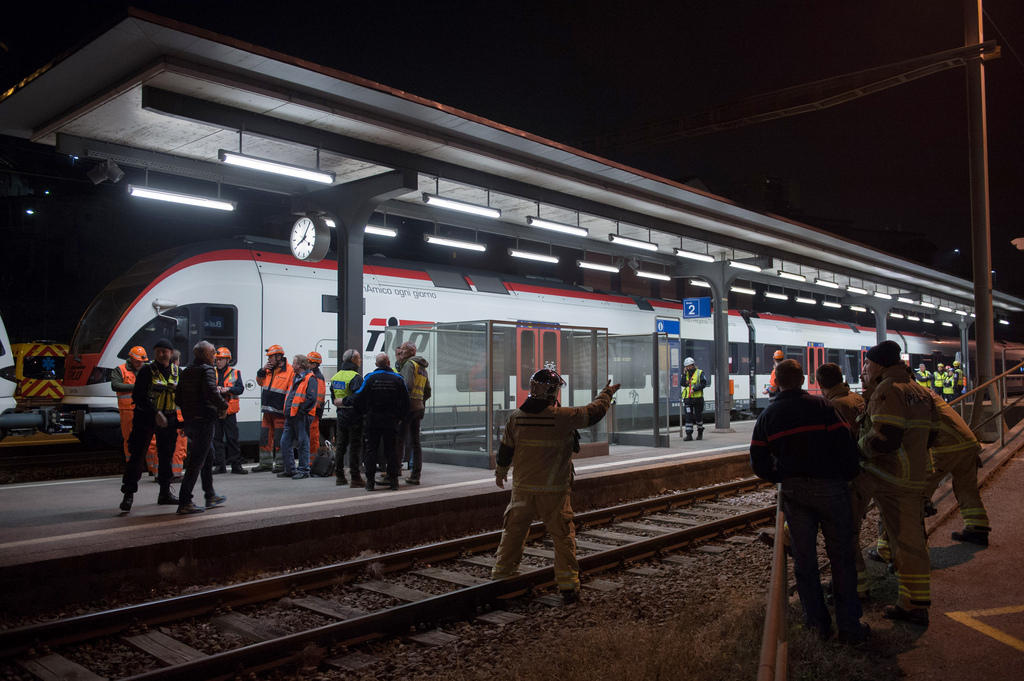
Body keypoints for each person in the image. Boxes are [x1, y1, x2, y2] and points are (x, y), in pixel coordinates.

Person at [749, 359, 867, 643]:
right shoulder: (824, 407)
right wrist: (846, 475)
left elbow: (758, 460)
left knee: (805, 561)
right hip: (832, 489)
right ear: (802, 380)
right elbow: (847, 446)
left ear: (776, 382)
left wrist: (780, 475)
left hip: (795, 493)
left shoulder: (769, 415)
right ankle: (850, 626)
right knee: (842, 557)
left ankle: (817, 625)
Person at [491, 370, 619, 604]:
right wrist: (607, 394)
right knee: (562, 537)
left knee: (513, 532)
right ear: (552, 392)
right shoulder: (563, 417)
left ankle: (502, 574)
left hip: (522, 490)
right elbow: (593, 413)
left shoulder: (515, 417)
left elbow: (505, 449)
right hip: (553, 492)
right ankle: (568, 585)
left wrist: (500, 472)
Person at [857, 340, 933, 626]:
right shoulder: (919, 390)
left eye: (867, 363)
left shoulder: (888, 390)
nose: (865, 368)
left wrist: (858, 449)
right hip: (914, 474)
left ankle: (913, 606)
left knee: (904, 542)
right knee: (910, 539)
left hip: (892, 476)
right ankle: (912, 601)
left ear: (877, 364)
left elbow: (885, 437)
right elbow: (932, 435)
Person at [118, 339, 179, 514]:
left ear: (170, 352)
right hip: (145, 418)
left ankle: (165, 493)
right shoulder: (147, 370)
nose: (161, 354)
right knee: (137, 456)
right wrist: (155, 413)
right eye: (158, 351)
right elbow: (138, 396)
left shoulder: (176, 371)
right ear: (155, 353)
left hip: (168, 418)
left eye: (165, 351)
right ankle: (128, 495)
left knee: (166, 456)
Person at [925, 390, 990, 544]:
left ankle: (906, 545)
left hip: (946, 447)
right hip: (967, 443)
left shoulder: (908, 395)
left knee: (917, 492)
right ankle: (977, 528)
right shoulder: (926, 393)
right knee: (966, 488)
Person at [175, 341, 229, 514]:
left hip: (190, 420)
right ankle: (185, 502)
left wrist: (189, 411)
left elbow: (178, 398)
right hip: (204, 420)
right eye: (213, 352)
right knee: (196, 461)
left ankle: (210, 494)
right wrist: (223, 406)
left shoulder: (186, 371)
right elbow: (212, 393)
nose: (215, 355)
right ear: (204, 354)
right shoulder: (207, 370)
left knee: (208, 454)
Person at [352, 353, 409, 491]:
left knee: (371, 450)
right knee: (391, 450)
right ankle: (394, 481)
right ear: (388, 362)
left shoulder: (370, 378)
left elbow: (358, 396)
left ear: (376, 364)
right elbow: (406, 401)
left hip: (373, 420)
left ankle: (370, 482)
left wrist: (364, 413)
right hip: (391, 420)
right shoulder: (398, 379)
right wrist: (400, 417)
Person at [277, 354, 318, 479]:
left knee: (302, 442)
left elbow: (311, 399)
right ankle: (290, 469)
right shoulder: (295, 377)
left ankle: (304, 470)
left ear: (299, 365)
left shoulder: (310, 378)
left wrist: (301, 411)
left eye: (294, 363)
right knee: (284, 442)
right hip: (291, 415)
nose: (292, 365)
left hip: (301, 416)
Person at [395, 341, 431, 484]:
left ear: (410, 352)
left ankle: (395, 471)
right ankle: (415, 475)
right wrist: (420, 402)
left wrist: (400, 403)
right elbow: (428, 391)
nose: (400, 352)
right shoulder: (422, 368)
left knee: (400, 440)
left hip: (407, 408)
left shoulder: (410, 365)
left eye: (403, 349)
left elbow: (407, 385)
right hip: (418, 408)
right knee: (416, 443)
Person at [254, 345, 294, 472]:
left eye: (271, 357)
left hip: (280, 412)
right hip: (267, 410)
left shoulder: (289, 371)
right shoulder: (268, 370)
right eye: (269, 357)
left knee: (279, 439)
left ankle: (280, 465)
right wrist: (261, 371)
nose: (269, 360)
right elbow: (260, 382)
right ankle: (265, 464)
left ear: (279, 356)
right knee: (265, 438)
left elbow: (291, 392)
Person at [331, 349, 365, 487]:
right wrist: (346, 401)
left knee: (340, 446)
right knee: (355, 446)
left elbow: (334, 398)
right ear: (353, 360)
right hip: (354, 415)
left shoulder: (336, 376)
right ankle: (355, 478)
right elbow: (359, 397)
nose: (360, 361)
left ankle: (339, 476)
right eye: (359, 358)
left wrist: (340, 402)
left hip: (341, 414)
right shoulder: (355, 377)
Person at [212, 347, 246, 474]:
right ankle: (220, 465)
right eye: (217, 359)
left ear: (227, 360)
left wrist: (228, 390)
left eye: (221, 359)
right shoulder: (212, 372)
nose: (218, 362)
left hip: (230, 411)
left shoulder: (235, 373)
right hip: (216, 410)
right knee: (217, 438)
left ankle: (236, 465)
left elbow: (240, 389)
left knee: (232, 438)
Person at [111, 346, 147, 461]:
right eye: (137, 361)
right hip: (128, 410)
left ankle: (153, 468)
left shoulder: (146, 369)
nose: (139, 363)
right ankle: (131, 465)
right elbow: (115, 385)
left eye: (142, 361)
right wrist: (136, 387)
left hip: (145, 409)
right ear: (131, 358)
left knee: (151, 440)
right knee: (130, 439)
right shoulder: (120, 370)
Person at [306, 351, 328, 472]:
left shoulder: (317, 377)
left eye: (309, 362)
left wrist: (309, 410)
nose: (307, 364)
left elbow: (318, 398)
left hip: (313, 412)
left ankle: (312, 462)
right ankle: (309, 460)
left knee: (313, 437)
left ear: (314, 364)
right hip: (312, 412)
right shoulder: (314, 376)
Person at [681, 356, 708, 441]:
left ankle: (700, 432)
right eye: (686, 367)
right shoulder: (686, 374)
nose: (688, 368)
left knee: (698, 416)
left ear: (693, 365)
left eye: (689, 366)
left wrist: (695, 389)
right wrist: (684, 374)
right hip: (688, 399)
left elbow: (703, 383)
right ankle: (689, 435)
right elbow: (683, 384)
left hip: (698, 399)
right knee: (688, 417)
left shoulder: (700, 373)